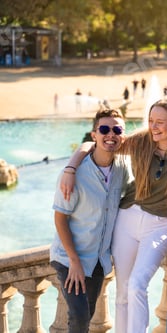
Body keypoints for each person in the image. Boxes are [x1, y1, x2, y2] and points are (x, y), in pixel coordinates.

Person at [60, 99, 167, 333]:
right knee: (122, 292)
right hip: (127, 219)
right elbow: (91, 144)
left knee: (137, 285)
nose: (154, 127)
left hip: (158, 226)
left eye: (160, 122)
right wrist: (71, 168)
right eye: (150, 121)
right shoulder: (141, 142)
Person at [50, 109, 128, 333]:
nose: (110, 134)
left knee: (87, 316)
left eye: (117, 130)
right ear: (94, 135)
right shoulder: (74, 175)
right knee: (80, 317)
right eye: (104, 129)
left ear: (123, 136)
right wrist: (74, 261)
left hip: (98, 262)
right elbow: (60, 218)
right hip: (69, 258)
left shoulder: (123, 169)